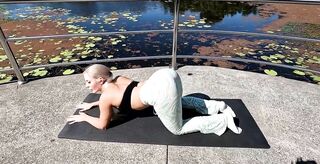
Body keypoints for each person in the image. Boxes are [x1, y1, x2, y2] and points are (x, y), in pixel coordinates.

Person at [67, 64, 242, 136]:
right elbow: (121, 97)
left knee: (178, 129)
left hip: (161, 91)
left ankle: (222, 120)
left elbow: (102, 125)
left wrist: (84, 117)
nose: (87, 86)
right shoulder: (120, 78)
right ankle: (214, 105)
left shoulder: (106, 97)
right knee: (170, 102)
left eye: (88, 82)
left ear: (101, 80)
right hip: (166, 75)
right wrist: (92, 103)